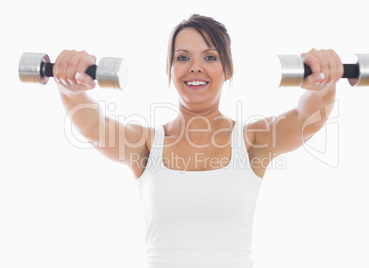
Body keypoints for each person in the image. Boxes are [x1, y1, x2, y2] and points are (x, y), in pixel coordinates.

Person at [53, 14, 343, 268]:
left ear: (227, 70)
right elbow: (95, 125)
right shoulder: (145, 144)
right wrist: (70, 89)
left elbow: (308, 117)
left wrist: (323, 85)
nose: (195, 67)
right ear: (170, 70)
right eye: (182, 57)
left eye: (210, 57)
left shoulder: (254, 140)